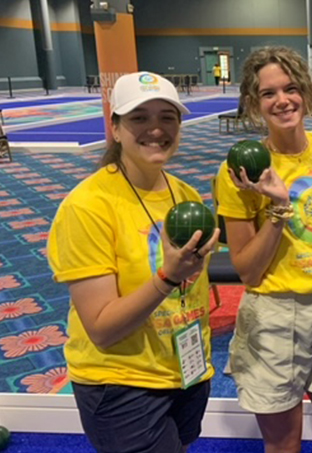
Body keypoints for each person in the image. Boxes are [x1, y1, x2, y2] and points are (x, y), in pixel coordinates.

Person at [47, 71, 220, 453]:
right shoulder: (87, 207)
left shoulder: (184, 193)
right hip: (121, 384)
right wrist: (167, 278)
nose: (155, 129)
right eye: (139, 118)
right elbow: (102, 329)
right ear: (116, 127)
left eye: (167, 117)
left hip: (183, 369)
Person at [216, 46, 312, 453]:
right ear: (253, 102)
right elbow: (247, 270)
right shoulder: (242, 168)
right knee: (285, 446)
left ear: (307, 93)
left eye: (291, 88)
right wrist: (278, 209)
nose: (282, 100)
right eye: (268, 93)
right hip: (276, 314)